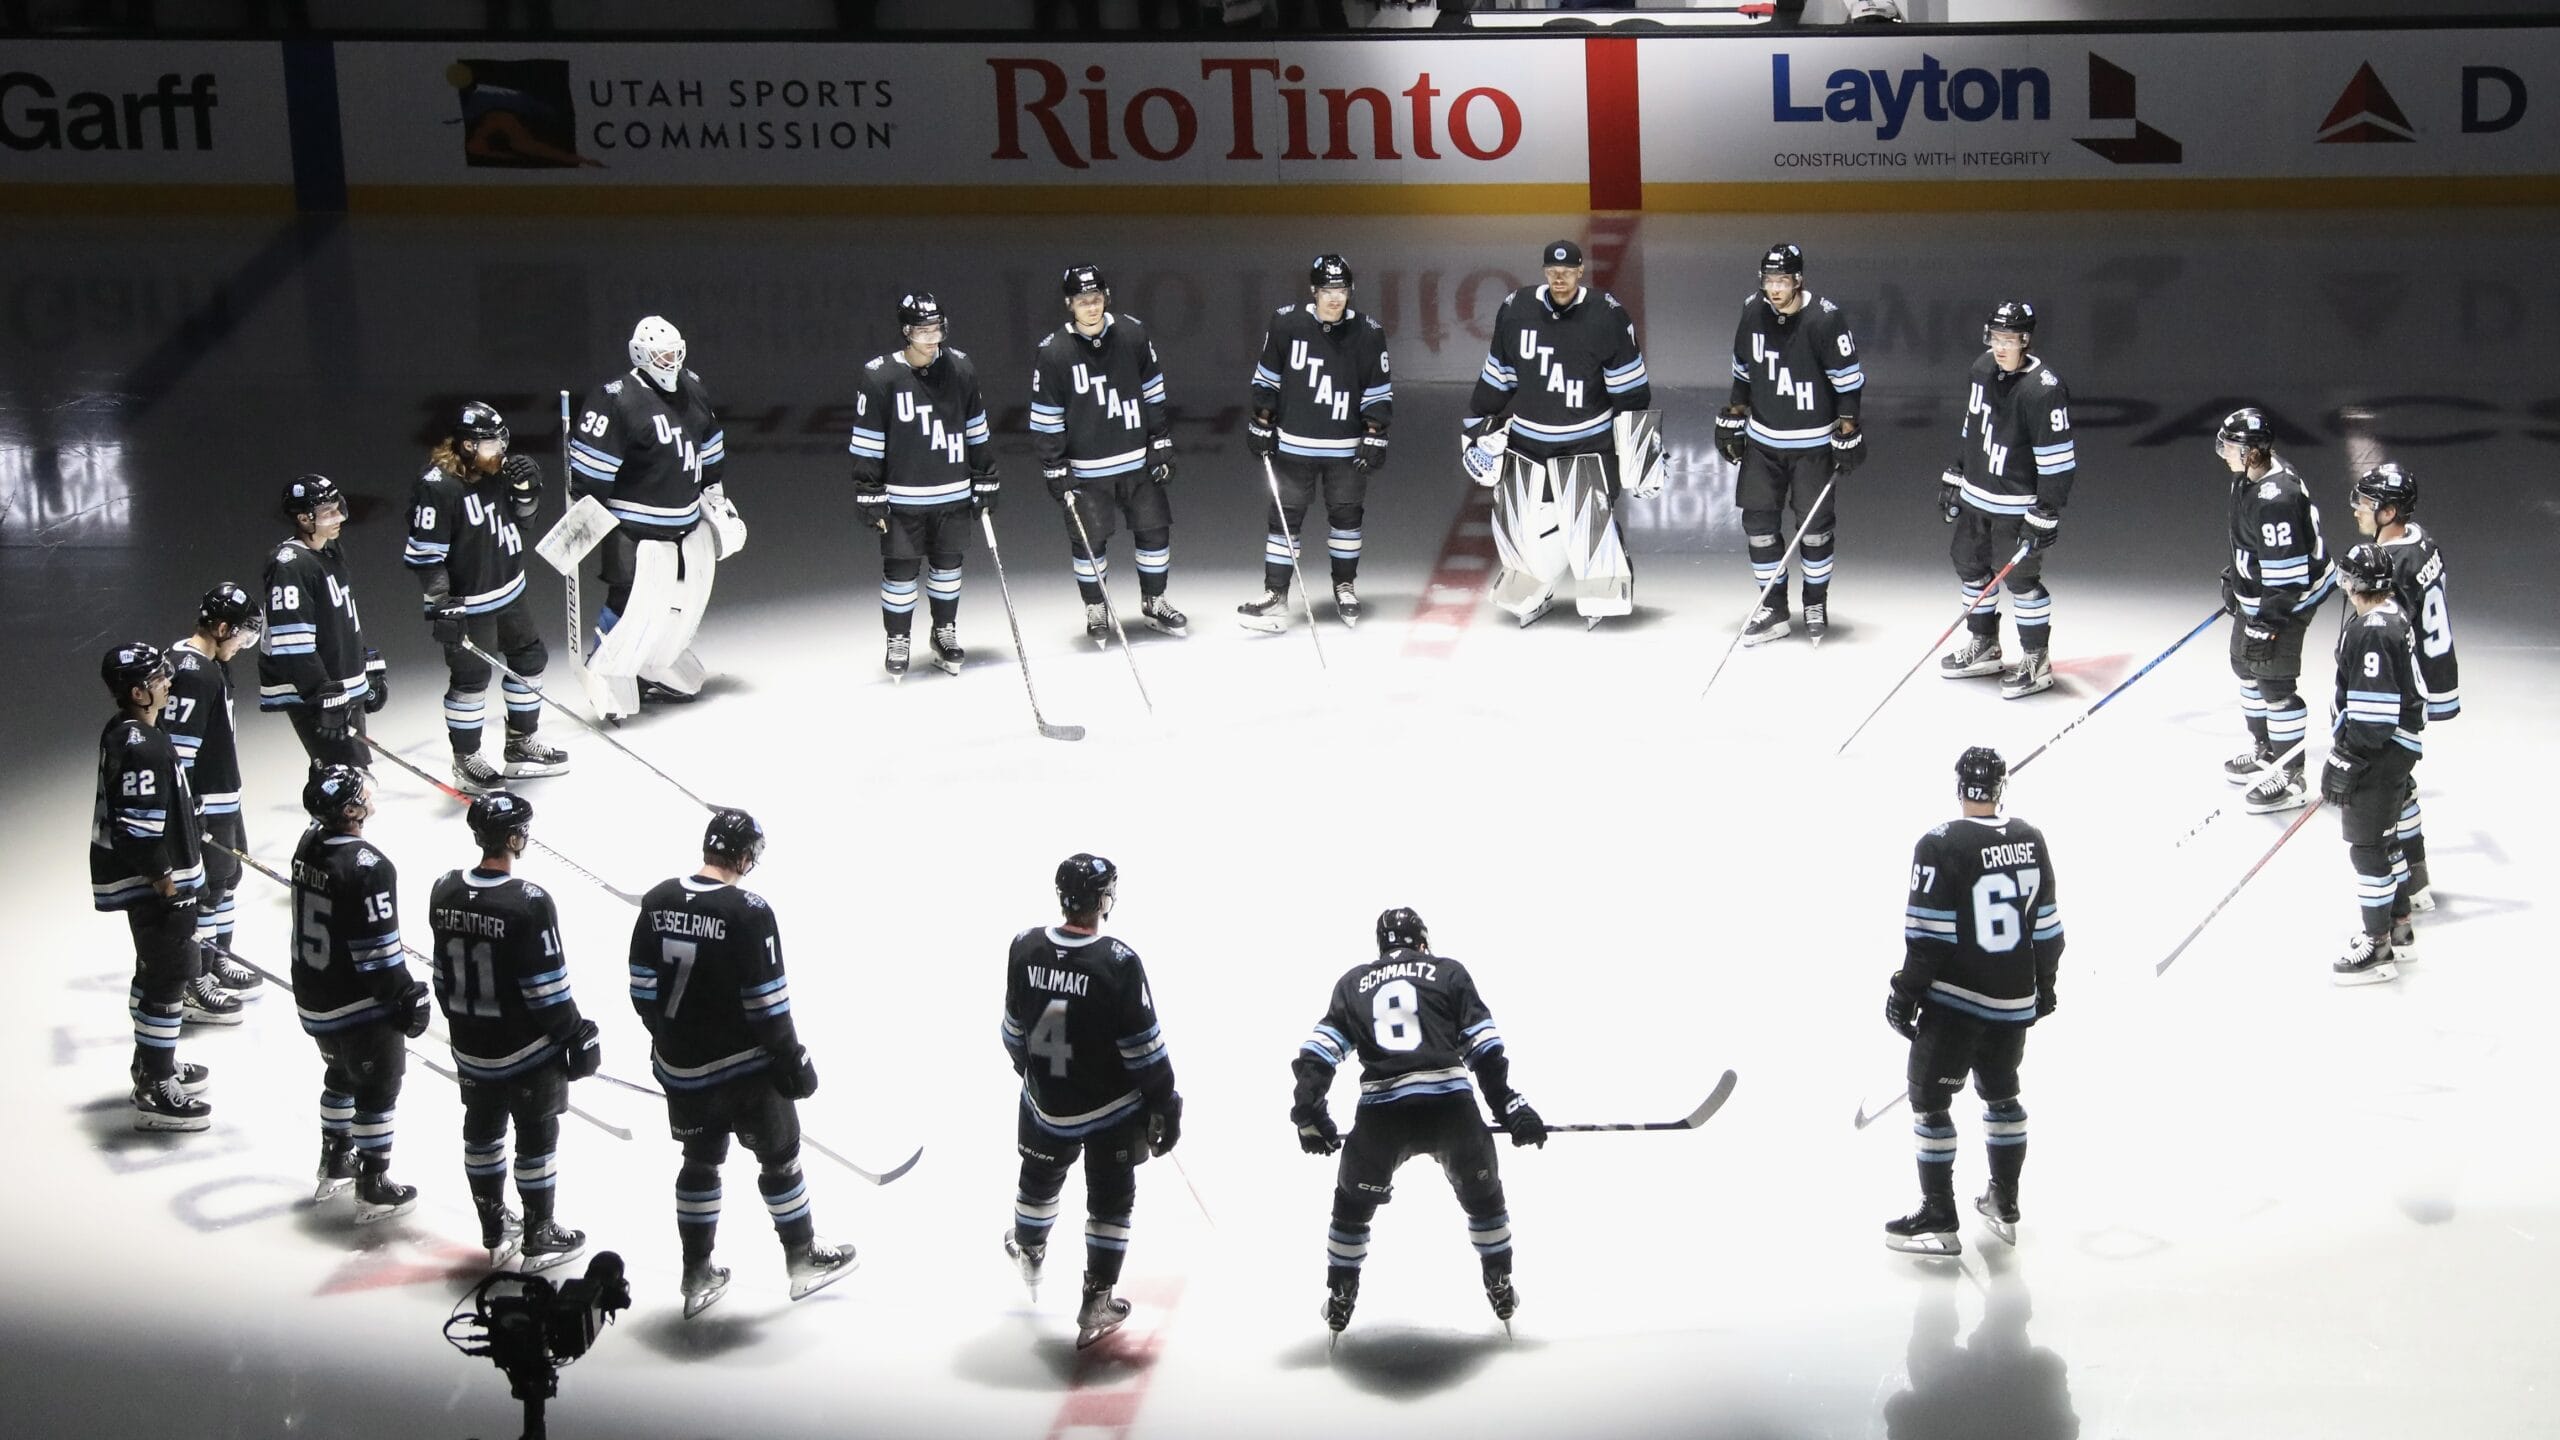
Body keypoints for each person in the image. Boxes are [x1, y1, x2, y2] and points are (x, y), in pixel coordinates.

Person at [629, 808, 857, 1317]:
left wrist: (671, 1037)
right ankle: (802, 1258)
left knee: (699, 1162)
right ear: (746, 856)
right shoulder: (749, 911)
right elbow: (767, 1004)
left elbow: (642, 988)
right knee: (780, 1159)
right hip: (744, 1072)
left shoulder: (659, 898)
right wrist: (790, 1057)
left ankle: (695, 1271)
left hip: (680, 1068)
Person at [1291, 907, 1544, 1338]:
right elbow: (1485, 1048)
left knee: (1352, 1206)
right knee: (1484, 1198)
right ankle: (1498, 1277)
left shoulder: (1353, 983)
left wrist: (1310, 1114)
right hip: (1452, 1111)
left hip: (1382, 1118)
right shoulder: (1448, 972)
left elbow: (1318, 1052)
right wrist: (1511, 1107)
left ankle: (1341, 1291)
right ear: (1423, 941)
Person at [999, 853, 1183, 1349]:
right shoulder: (1118, 961)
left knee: (1037, 1178)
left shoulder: (1024, 946)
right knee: (1111, 1199)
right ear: (1103, 899)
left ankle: (1030, 1248)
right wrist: (1166, 1101)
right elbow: (1143, 1050)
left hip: (1044, 1103)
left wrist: (1035, 1075)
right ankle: (1096, 1297)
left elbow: (1013, 1032)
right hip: (1110, 1111)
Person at [1884, 747, 2063, 1255]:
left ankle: (1939, 1213)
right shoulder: (2031, 838)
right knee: (2002, 1096)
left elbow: (1929, 936)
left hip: (1957, 1003)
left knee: (1930, 1102)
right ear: (2001, 788)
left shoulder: (1940, 844)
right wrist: (2044, 985)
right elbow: (2048, 929)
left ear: (1960, 788)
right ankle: (2004, 1201)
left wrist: (1906, 991)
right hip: (2013, 1003)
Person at [429, 791, 602, 1270]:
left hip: (471, 1044)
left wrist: (464, 1026)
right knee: (535, 1134)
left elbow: (442, 978)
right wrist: (576, 1034)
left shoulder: (443, 888)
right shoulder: (529, 903)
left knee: (481, 1132)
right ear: (513, 837)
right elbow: (546, 992)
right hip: (525, 1050)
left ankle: (492, 1226)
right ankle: (539, 1231)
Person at [1461, 239, 1656, 627]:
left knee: (1586, 521)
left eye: (1567, 272)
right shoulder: (1516, 310)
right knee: (1519, 525)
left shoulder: (1607, 315)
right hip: (1529, 442)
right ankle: (1533, 585)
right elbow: (1499, 376)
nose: (1560, 278)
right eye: (1553, 271)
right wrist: (1476, 425)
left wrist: (1641, 451)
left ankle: (1605, 581)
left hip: (1590, 443)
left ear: (1581, 271)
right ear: (1544, 271)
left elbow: (1631, 393)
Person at [568, 315, 739, 715]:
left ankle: (656, 659)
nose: (669, 361)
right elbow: (591, 473)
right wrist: (585, 515)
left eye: (674, 352)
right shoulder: (615, 397)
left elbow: (709, 448)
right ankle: (607, 665)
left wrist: (715, 497)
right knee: (632, 596)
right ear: (640, 355)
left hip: (684, 520)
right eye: (661, 354)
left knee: (679, 595)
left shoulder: (692, 387)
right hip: (633, 527)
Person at [290, 766, 432, 1224]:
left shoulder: (308, 842)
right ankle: (373, 1182)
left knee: (341, 1075)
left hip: (313, 994)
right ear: (351, 811)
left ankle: (335, 1157)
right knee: (378, 1085)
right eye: (361, 793)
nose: (369, 794)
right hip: (354, 1003)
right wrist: (406, 995)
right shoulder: (369, 865)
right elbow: (377, 955)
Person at [405, 401, 570, 794]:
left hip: (510, 590)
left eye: (501, 439)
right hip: (471, 602)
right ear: (465, 447)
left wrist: (527, 492)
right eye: (490, 442)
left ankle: (520, 745)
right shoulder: (436, 486)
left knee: (530, 659)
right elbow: (426, 556)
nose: (500, 449)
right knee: (472, 678)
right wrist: (441, 602)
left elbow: (523, 521)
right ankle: (466, 759)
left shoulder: (496, 473)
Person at [93, 642, 217, 1131]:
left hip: (157, 884)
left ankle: (153, 1063)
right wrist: (168, 886)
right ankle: (156, 1084)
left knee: (157, 974)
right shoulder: (140, 743)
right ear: (139, 691)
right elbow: (138, 832)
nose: (168, 682)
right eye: (159, 678)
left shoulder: (133, 732)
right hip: (157, 890)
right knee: (168, 978)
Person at [1718, 242, 1865, 646]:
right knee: (1759, 526)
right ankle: (1773, 606)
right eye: (1769, 280)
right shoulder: (1752, 310)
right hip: (1763, 444)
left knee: (1815, 531)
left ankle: (1815, 602)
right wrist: (1734, 415)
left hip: (1813, 447)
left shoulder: (1825, 320)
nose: (1774, 288)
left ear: (1798, 280)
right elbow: (1742, 372)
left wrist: (1848, 430)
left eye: (1782, 280)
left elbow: (1848, 383)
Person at [1032, 264, 1188, 644]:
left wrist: (1160, 440)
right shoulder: (1054, 352)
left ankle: (1154, 600)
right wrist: (1054, 465)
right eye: (1083, 300)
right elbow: (1047, 416)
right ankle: (1095, 605)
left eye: (1097, 298)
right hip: (1088, 469)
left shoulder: (1133, 333)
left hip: (1136, 460)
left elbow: (1152, 390)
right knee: (1090, 540)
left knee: (1154, 531)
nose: (1092, 306)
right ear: (1069, 303)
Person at [1237, 253, 1392, 631]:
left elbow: (1378, 390)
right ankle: (1276, 593)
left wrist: (1375, 433)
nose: (1335, 298)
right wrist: (1261, 420)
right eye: (1327, 290)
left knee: (1347, 518)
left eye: (1341, 290)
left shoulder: (1369, 332)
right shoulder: (1287, 322)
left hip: (1345, 449)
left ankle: (1345, 585)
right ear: (1314, 291)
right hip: (1294, 446)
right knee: (1283, 520)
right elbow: (1268, 377)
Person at [849, 292, 999, 679]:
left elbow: (976, 428)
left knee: (948, 567)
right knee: (900, 571)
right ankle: (897, 638)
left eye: (936, 328)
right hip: (902, 498)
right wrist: (869, 490)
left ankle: (943, 631)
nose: (932, 338)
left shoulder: (961, 368)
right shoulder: (881, 376)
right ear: (906, 331)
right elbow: (868, 440)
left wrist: (985, 476)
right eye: (923, 330)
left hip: (952, 491)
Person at [1935, 303, 2076, 699]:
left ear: (2025, 340)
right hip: (1977, 497)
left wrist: (2046, 509)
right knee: (1969, 564)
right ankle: (1984, 644)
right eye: (1995, 339)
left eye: (2008, 340)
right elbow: (1972, 425)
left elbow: (2058, 458)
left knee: (2020, 580)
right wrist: (1958, 470)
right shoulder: (1981, 369)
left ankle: (2037, 658)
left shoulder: (2044, 389)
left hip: (2016, 506)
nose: (1999, 347)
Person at [2213, 406, 2334, 813]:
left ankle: (2291, 773)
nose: (2223, 450)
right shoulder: (2246, 479)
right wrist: (2236, 578)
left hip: (2288, 599)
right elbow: (2249, 545)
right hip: (2261, 595)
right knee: (2244, 665)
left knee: (2274, 681)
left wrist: (2266, 623)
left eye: (2231, 445)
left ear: (2251, 451)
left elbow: (2288, 576)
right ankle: (2267, 749)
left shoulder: (2276, 497)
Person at [2349, 463, 2458, 916]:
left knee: (2386, 788)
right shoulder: (2420, 539)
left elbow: (2389, 636)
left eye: (2367, 503)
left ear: (2389, 511)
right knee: (2403, 784)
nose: (2357, 508)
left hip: (2399, 691)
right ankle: (2416, 878)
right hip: (2431, 675)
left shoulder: (2390, 565)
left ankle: (2398, 903)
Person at [2323, 544, 2425, 986]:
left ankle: (2378, 947)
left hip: (2379, 755)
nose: (2342, 583)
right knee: (2386, 841)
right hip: (2397, 751)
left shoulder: (2370, 630)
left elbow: (2374, 714)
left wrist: (2347, 758)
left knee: (2367, 849)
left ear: (2357, 584)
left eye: (2347, 577)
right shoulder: (2393, 615)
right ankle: (2400, 927)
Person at [165, 581, 266, 1001]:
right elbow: (178, 753)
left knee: (225, 880)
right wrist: (192, 811)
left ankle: (219, 956)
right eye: (241, 633)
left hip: (225, 798)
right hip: (206, 805)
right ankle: (197, 978)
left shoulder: (209, 664)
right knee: (205, 891)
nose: (244, 642)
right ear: (222, 628)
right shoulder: (193, 672)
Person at [259, 475, 385, 768]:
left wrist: (363, 663)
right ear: (304, 519)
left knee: (349, 777)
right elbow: (291, 641)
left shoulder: (329, 551)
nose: (339, 517)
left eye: (337, 507)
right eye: (328, 512)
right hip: (316, 692)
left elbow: (340, 620)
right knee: (346, 782)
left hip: (337, 685)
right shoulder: (289, 564)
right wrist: (321, 692)